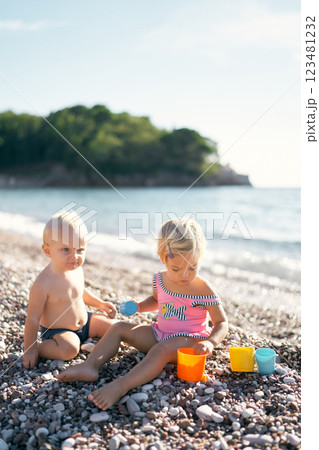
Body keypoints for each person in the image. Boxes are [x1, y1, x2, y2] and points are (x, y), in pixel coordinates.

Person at [57, 218, 228, 411]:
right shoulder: (160, 279)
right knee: (118, 327)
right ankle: (90, 366)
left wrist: (210, 342)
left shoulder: (203, 288)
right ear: (163, 258)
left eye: (193, 267)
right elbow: (156, 301)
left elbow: (221, 322)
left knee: (160, 351)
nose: (185, 275)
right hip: (160, 333)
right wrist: (138, 306)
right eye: (176, 268)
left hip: (189, 341)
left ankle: (120, 386)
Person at [23, 211, 116, 369]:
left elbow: (80, 292)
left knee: (114, 327)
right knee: (70, 349)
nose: (75, 256)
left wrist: (99, 304)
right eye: (66, 249)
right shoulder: (43, 283)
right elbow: (32, 319)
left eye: (80, 250)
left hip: (85, 322)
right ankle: (41, 348)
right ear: (47, 251)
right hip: (58, 331)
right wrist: (30, 349)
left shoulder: (76, 269)